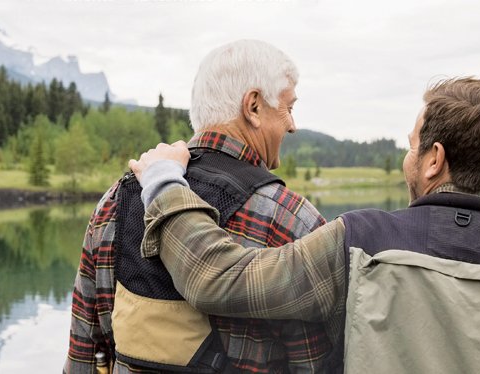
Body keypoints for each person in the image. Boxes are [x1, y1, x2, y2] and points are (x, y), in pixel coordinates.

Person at [130, 77, 480, 373]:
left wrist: (163, 183)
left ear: (434, 160)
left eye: (412, 144)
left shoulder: (358, 244)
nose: (406, 156)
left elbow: (221, 278)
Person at [64, 39, 332, 373]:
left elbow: (85, 352)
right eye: (288, 108)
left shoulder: (114, 202)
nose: (292, 125)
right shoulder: (292, 221)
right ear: (253, 107)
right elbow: (318, 364)